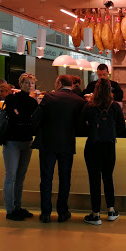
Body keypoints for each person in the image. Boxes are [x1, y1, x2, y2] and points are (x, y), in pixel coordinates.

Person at [32, 74, 85, 223]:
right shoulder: (79, 101)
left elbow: (36, 118)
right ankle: (62, 212)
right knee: (65, 179)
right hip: (67, 144)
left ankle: (45, 213)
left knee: (46, 179)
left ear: (59, 83)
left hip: (47, 143)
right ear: (72, 85)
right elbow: (81, 125)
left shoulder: (49, 97)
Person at [80, 78, 125, 225]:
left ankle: (96, 214)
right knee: (108, 177)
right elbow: (121, 128)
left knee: (94, 179)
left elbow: (81, 125)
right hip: (109, 145)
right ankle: (111, 210)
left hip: (93, 145)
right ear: (110, 91)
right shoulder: (115, 107)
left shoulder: (89, 106)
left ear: (96, 91)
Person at [2, 73, 39, 221]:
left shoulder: (32, 102)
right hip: (12, 140)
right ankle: (10, 209)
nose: (29, 86)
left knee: (20, 177)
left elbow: (22, 117)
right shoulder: (13, 98)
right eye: (27, 83)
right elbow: (15, 116)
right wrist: (24, 119)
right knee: (11, 176)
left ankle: (17, 207)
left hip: (26, 140)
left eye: (32, 83)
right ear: (21, 84)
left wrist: (21, 118)